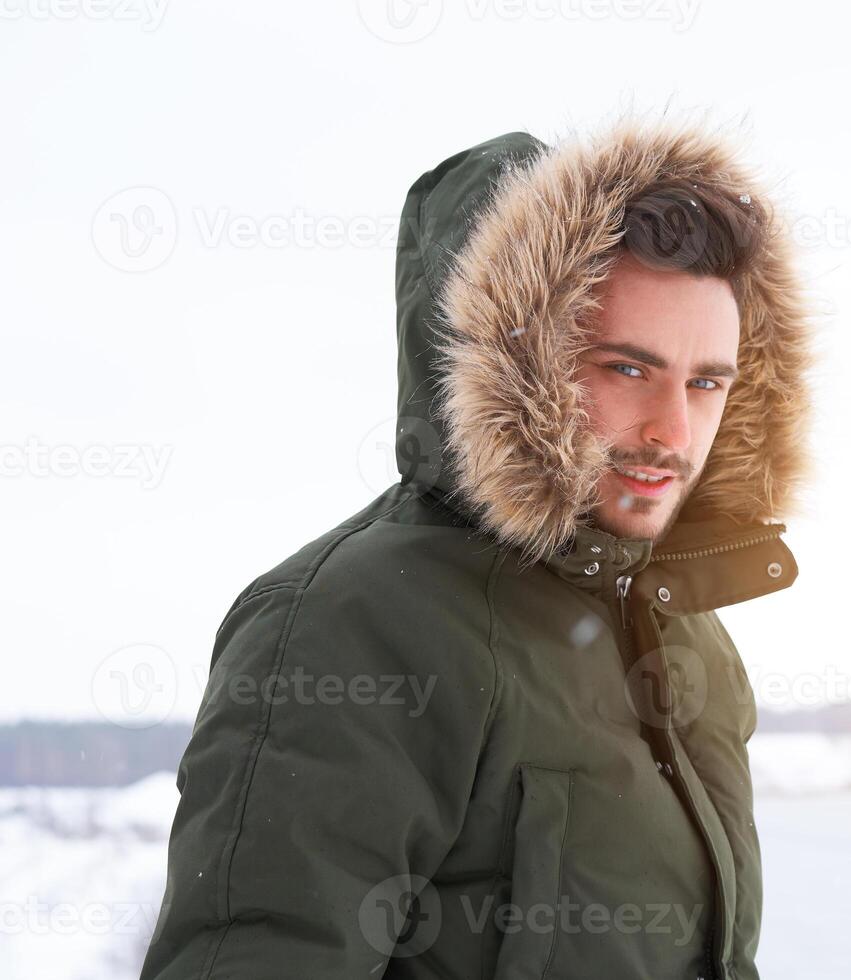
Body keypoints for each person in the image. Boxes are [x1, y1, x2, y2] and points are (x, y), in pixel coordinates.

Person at [139, 116, 813, 980]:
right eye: (626, 369)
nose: (673, 431)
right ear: (514, 366)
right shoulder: (350, 623)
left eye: (707, 381)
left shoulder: (687, 634)